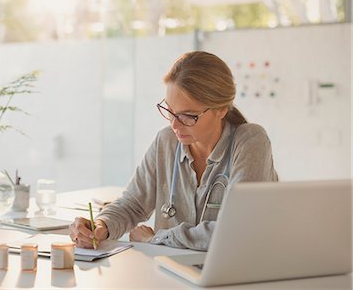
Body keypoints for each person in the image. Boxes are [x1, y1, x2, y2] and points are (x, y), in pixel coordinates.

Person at [69, 51, 278, 251]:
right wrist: (101, 225)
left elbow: (238, 229)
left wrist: (158, 238)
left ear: (221, 109)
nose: (175, 125)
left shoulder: (250, 140)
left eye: (188, 116)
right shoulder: (166, 141)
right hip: (170, 274)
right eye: (170, 111)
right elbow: (132, 205)